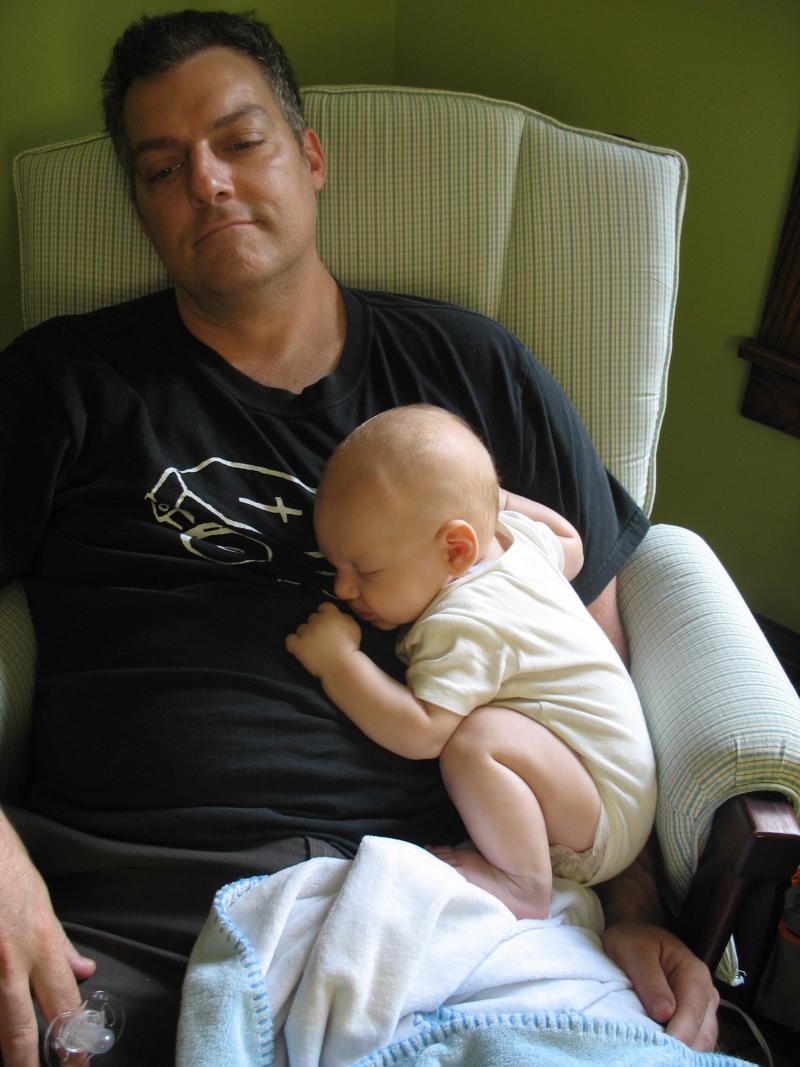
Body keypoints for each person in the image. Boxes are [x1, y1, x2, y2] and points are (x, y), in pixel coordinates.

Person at [0, 9, 719, 1066]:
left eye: (240, 141)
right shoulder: (62, 384)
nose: (207, 183)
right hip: (128, 901)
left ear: (310, 156)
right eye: (161, 168)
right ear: (140, 204)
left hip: (454, 896)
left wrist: (632, 903)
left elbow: (591, 664)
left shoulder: (473, 370)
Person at [287, 404, 657, 921]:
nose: (343, 588)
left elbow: (421, 733)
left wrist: (339, 663)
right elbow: (571, 544)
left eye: (364, 570)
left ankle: (523, 884)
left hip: (597, 818)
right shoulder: (513, 541)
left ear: (457, 550)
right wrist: (495, 502)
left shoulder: (464, 621)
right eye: (336, 566)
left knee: (473, 740)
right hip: (616, 786)